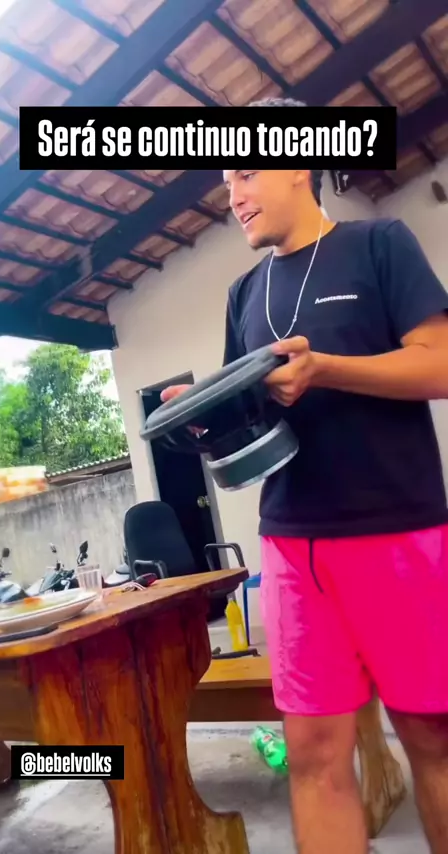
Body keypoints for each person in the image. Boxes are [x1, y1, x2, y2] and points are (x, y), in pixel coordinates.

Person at [161, 97, 448, 854]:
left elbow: (440, 363)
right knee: (315, 755)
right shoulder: (243, 294)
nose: (233, 194)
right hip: (294, 548)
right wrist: (202, 416)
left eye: (246, 172)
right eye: (227, 180)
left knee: (432, 737)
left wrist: (327, 368)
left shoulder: (380, 243)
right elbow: (250, 415)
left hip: (399, 532)